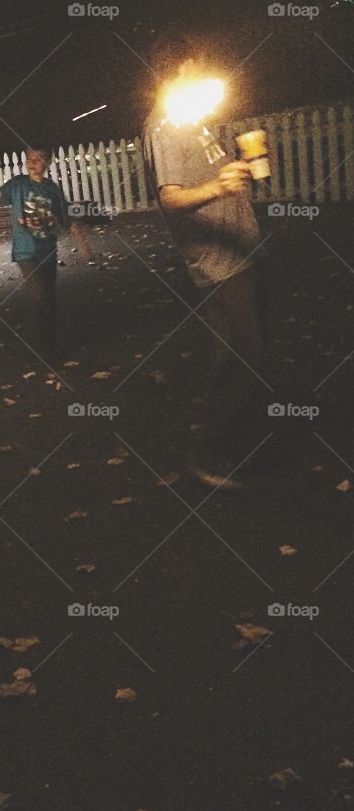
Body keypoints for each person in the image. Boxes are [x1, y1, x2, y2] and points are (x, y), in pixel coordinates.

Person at [141, 35, 279, 490]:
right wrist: (219, 187)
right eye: (194, 66)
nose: (201, 73)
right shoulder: (164, 125)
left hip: (242, 252)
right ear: (174, 71)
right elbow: (171, 199)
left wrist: (238, 171)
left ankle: (239, 445)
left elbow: (213, 180)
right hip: (218, 264)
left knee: (246, 356)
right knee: (242, 358)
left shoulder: (195, 123)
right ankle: (208, 455)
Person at [0, 142, 93, 360]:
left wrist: (83, 245)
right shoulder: (18, 185)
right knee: (40, 297)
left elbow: (68, 218)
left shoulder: (52, 189)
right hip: (25, 251)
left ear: (48, 162)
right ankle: (43, 350)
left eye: (37, 159)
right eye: (29, 159)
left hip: (47, 249)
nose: (32, 163)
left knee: (49, 299)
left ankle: (50, 344)